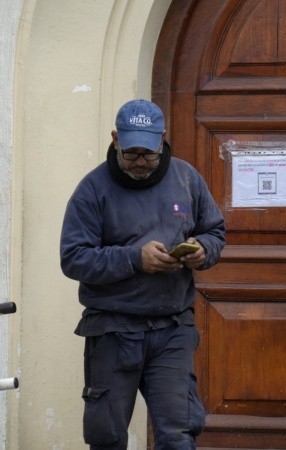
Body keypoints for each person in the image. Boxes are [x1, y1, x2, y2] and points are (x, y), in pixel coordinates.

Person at [60, 99, 225, 449]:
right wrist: (135, 259)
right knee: (107, 437)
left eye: (148, 153)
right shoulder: (92, 190)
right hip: (112, 329)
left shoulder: (187, 178)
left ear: (162, 139)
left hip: (172, 328)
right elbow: (73, 258)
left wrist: (203, 250)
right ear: (115, 139)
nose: (140, 162)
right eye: (132, 152)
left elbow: (214, 231)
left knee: (178, 434)